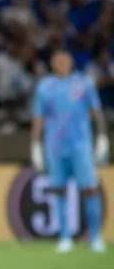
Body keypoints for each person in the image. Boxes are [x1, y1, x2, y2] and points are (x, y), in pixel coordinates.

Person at [31, 50, 109, 253]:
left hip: (81, 145)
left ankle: (95, 237)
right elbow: (39, 118)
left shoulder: (84, 83)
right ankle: (65, 236)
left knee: (90, 188)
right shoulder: (46, 86)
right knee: (59, 190)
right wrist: (35, 146)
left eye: (66, 60)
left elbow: (97, 112)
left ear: (72, 61)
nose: (62, 63)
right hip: (55, 146)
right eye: (58, 60)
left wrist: (102, 137)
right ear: (52, 63)